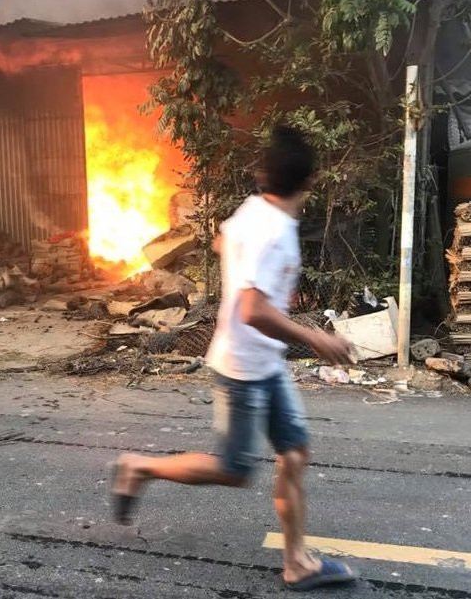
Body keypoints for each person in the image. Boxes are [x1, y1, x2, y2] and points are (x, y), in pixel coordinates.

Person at [111, 126, 356, 592]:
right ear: (310, 182)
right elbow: (252, 310)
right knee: (233, 470)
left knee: (294, 452)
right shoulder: (275, 232)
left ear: (264, 178)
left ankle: (297, 563)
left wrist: (259, 274)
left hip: (264, 361)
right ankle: (138, 467)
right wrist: (314, 338)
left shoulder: (252, 211)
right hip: (243, 366)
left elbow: (223, 242)